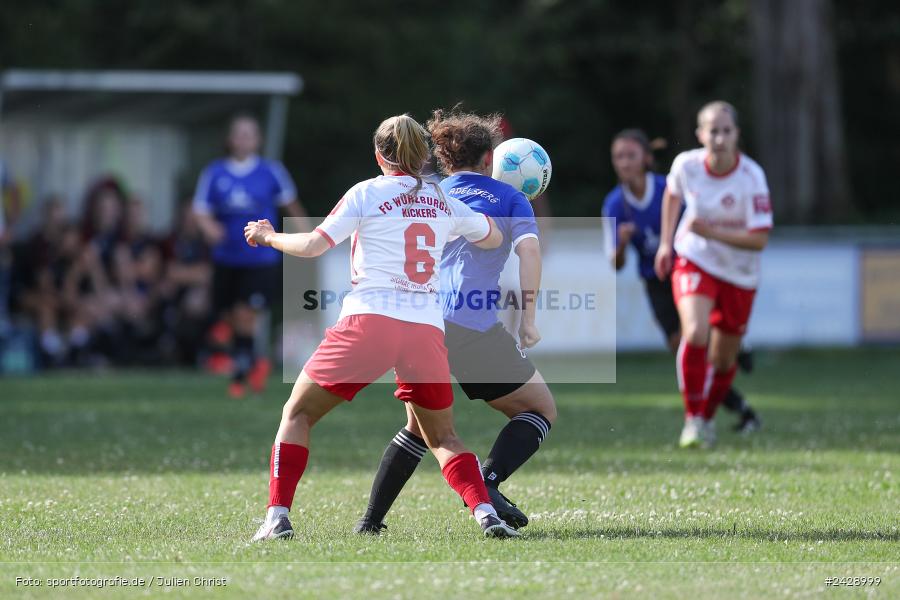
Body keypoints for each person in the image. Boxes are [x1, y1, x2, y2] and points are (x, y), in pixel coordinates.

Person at [244, 113, 519, 541]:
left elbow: (314, 244)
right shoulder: (441, 198)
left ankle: (277, 518)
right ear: (423, 155)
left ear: (378, 156)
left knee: (297, 414)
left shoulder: (366, 193)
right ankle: (485, 514)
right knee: (444, 436)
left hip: (369, 322)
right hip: (425, 331)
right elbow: (492, 237)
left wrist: (268, 236)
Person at [354, 108, 557, 535]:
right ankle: (487, 482)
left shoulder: (431, 193)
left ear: (445, 158)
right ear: (489, 159)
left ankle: (370, 522)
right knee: (539, 409)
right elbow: (530, 253)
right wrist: (529, 319)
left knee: (419, 427)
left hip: (420, 323)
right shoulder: (511, 198)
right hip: (472, 325)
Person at [602, 129, 759, 433]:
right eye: (618, 157)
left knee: (701, 340)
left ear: (646, 159)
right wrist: (621, 244)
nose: (624, 162)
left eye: (630, 155)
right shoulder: (614, 204)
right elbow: (616, 264)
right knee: (684, 349)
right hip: (656, 281)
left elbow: (701, 219)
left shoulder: (667, 189)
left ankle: (733, 345)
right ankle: (739, 408)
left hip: (688, 269)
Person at [654, 101, 773, 449]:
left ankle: (706, 419)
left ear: (737, 134)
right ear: (700, 135)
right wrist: (666, 244)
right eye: (713, 131)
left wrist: (713, 232)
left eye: (726, 131)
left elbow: (760, 239)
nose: (719, 138)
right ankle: (692, 420)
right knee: (695, 331)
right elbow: (672, 195)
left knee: (723, 360)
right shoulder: (686, 165)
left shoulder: (752, 177)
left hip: (740, 273)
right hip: (695, 257)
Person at [192, 114, 310, 397]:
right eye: (239, 134)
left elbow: (291, 206)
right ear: (230, 139)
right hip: (226, 257)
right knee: (230, 316)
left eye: (249, 134)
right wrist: (209, 228)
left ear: (258, 140)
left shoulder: (271, 171)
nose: (244, 139)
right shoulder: (215, 173)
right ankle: (255, 362)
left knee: (246, 313)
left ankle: (240, 373)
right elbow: (200, 209)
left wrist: (310, 238)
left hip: (260, 259)